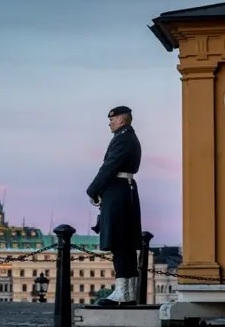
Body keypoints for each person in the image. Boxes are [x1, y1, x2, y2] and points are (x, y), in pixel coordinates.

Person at [86, 105, 142, 306]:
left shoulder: (123, 138)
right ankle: (126, 293)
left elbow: (109, 166)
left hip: (117, 192)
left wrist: (93, 190)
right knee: (124, 243)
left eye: (112, 119)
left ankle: (123, 294)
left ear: (121, 120)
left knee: (119, 242)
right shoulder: (127, 137)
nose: (109, 123)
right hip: (123, 191)